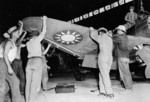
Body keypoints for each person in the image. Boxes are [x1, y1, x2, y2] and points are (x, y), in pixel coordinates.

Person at [25, 16, 47, 102]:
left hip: (29, 62)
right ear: (37, 34)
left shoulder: (27, 43)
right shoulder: (38, 40)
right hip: (37, 61)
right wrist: (44, 20)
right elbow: (44, 31)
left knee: (28, 83)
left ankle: (27, 100)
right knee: (35, 83)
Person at [0, 24, 24, 102]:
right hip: (2, 62)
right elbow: (5, 54)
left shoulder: (12, 42)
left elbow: (20, 32)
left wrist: (21, 26)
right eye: (17, 33)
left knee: (15, 81)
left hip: (5, 63)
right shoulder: (9, 42)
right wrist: (9, 67)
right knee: (2, 85)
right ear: (13, 34)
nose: (19, 34)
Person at [89, 27, 114, 98]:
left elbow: (92, 35)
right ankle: (102, 91)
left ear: (100, 32)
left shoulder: (101, 37)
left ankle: (109, 92)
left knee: (105, 75)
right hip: (110, 58)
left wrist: (91, 30)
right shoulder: (110, 38)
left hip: (103, 57)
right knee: (102, 74)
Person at [113, 25, 133, 90]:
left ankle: (128, 88)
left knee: (124, 73)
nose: (117, 31)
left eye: (118, 30)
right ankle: (128, 86)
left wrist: (111, 34)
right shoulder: (126, 37)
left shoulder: (120, 37)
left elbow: (113, 40)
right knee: (127, 72)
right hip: (126, 57)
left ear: (121, 31)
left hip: (122, 57)